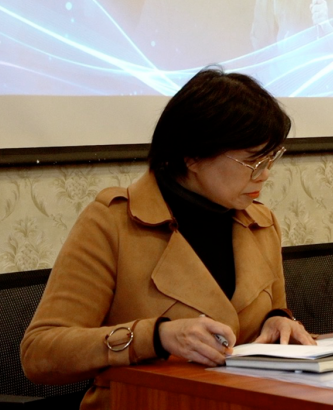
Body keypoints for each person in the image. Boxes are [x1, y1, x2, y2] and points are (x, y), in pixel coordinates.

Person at [21, 67, 315, 409]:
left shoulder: (260, 222)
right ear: (193, 156)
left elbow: (264, 318)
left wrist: (278, 320)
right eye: (253, 161)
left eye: (271, 158)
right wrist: (155, 337)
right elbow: (40, 353)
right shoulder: (112, 222)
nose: (265, 174)